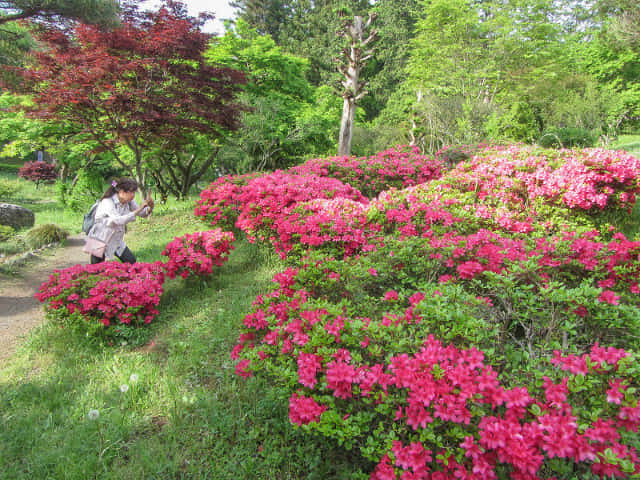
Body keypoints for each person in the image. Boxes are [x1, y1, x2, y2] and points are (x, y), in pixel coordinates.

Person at [87, 178, 154, 264]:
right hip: (100, 237)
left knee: (131, 261)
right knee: (96, 268)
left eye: (134, 192)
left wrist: (150, 207)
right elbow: (118, 220)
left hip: (116, 239)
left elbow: (142, 213)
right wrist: (140, 208)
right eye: (131, 192)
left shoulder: (129, 202)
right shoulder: (107, 202)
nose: (133, 195)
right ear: (121, 192)